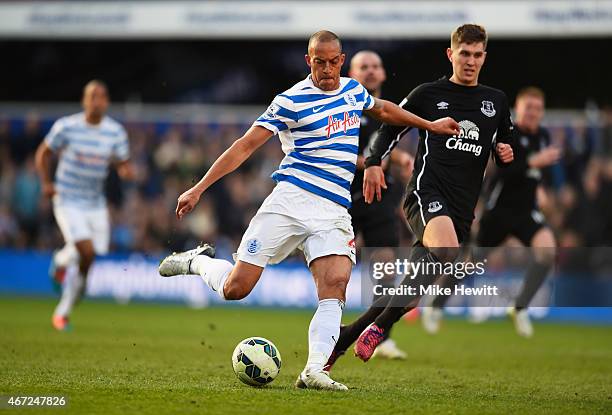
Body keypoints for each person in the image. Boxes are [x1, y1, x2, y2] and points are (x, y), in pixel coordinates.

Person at [158, 30, 459, 391]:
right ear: (308, 60)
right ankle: (197, 261)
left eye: (334, 62)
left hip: (333, 209)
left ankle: (315, 370)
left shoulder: (352, 91)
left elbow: (382, 110)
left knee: (335, 285)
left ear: (341, 60)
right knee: (236, 288)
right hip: (290, 202)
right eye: (320, 62)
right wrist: (198, 188)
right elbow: (244, 146)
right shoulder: (290, 100)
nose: (328, 69)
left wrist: (428, 125)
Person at [323, 23, 515, 369]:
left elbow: (505, 143)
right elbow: (389, 128)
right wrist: (374, 163)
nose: (470, 61)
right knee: (447, 251)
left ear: (484, 57)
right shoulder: (428, 94)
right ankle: (380, 329)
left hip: (462, 209)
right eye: (464, 54)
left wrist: (505, 152)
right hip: (426, 194)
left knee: (413, 287)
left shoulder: (496, 101)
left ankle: (347, 335)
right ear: (450, 54)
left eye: (476, 55)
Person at [422, 86, 559, 337]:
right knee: (470, 263)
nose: (533, 113)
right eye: (528, 107)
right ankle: (436, 304)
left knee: (548, 251)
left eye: (538, 109)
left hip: (526, 211)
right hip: (499, 212)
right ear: (518, 109)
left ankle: (519, 308)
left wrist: (540, 189)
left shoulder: (543, 137)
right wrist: (532, 162)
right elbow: (503, 171)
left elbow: (537, 173)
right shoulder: (509, 134)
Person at [35, 80, 134, 331]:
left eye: (101, 96)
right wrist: (46, 182)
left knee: (89, 256)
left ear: (107, 102)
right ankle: (62, 313)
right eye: (92, 96)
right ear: (84, 100)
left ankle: (60, 260)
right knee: (86, 252)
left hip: (95, 203)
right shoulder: (67, 127)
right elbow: (43, 153)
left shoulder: (115, 132)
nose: (97, 101)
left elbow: (122, 161)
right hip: (67, 198)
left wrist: (125, 170)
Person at [346, 50, 413, 360]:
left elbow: (385, 143)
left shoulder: (390, 111)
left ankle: (381, 336)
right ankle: (335, 331)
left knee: (385, 268)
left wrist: (400, 157)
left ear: (384, 74)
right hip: (343, 197)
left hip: (380, 198)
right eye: (364, 67)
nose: (370, 71)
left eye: (375, 66)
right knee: (337, 269)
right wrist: (372, 161)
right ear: (351, 73)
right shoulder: (342, 106)